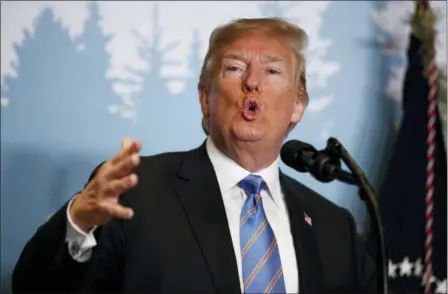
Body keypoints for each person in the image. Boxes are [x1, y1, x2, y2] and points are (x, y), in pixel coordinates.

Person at [12, 17, 376, 293]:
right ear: (205, 97)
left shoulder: (334, 228)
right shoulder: (134, 194)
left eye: (272, 71)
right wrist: (78, 222)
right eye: (234, 68)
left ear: (298, 105)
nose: (253, 83)